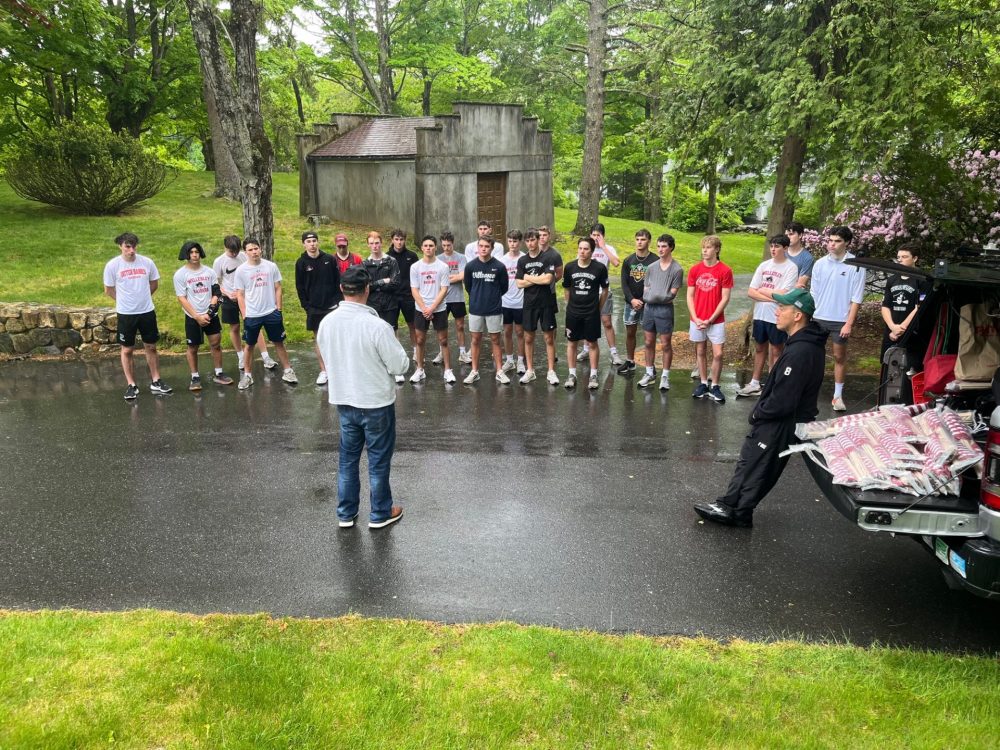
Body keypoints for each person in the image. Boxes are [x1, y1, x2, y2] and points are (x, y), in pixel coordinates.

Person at [694, 289, 828, 527]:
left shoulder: (801, 351)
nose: (777, 312)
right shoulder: (800, 343)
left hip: (781, 421)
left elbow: (785, 398)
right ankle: (732, 505)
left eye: (783, 309)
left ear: (797, 316)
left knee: (758, 463)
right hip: (779, 419)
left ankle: (736, 510)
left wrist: (758, 413)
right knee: (753, 460)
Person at [316, 265, 408, 530]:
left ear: (342, 289)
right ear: (367, 289)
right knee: (378, 460)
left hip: (344, 399)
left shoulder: (327, 323)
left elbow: (324, 354)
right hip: (375, 402)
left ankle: (346, 512)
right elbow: (399, 365)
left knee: (348, 459)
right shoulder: (376, 326)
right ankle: (379, 513)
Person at [103, 232, 172, 399]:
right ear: (120, 246)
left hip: (147, 311)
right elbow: (108, 290)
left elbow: (154, 284)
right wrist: (124, 301)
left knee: (151, 346)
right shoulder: (112, 266)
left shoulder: (147, 262)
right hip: (126, 314)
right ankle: (131, 385)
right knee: (127, 349)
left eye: (134, 246)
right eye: (127, 246)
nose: (131, 250)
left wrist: (143, 298)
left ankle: (156, 381)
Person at [736, 234, 799, 399]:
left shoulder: (790, 268)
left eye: (777, 246)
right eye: (772, 246)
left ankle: (773, 385)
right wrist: (770, 295)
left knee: (777, 349)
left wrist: (762, 290)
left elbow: (784, 294)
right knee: (759, 348)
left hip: (777, 316)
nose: (773, 249)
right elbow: (751, 291)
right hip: (760, 315)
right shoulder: (764, 265)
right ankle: (755, 383)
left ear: (785, 248)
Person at [811, 225, 866, 411]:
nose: (832, 245)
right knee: (813, 357)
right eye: (830, 241)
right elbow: (814, 293)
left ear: (847, 243)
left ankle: (837, 396)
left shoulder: (856, 265)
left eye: (837, 241)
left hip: (840, 321)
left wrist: (848, 323)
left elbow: (856, 298)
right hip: (818, 318)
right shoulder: (819, 264)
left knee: (839, 356)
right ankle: (809, 393)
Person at [233, 237, 297, 390]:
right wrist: (245, 314)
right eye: (250, 249)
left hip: (271, 312)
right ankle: (247, 376)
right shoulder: (241, 271)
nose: (254, 252)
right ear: (245, 252)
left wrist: (278, 308)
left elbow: (278, 287)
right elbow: (240, 294)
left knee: (279, 342)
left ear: (260, 248)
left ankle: (288, 371)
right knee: (249, 345)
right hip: (252, 315)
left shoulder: (270, 266)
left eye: (256, 248)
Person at [213, 235, 277, 373]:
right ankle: (241, 356)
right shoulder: (219, 261)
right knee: (235, 327)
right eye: (232, 251)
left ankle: (266, 357)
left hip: (246, 296)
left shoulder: (243, 256)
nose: (235, 254)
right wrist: (228, 293)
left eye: (236, 251)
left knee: (255, 325)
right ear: (225, 248)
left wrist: (243, 293)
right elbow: (216, 283)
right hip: (228, 297)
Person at [173, 241, 232, 390]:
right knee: (193, 347)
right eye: (191, 252)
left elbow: (216, 293)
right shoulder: (180, 275)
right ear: (186, 254)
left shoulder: (209, 272)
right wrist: (197, 316)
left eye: (197, 252)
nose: (194, 255)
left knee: (216, 344)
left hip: (210, 315)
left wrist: (209, 312)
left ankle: (219, 374)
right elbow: (182, 298)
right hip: (193, 317)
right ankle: (195, 377)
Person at [686, 235, 733, 403]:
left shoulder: (725, 270)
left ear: (717, 249)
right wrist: (696, 317)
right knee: (700, 351)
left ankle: (715, 385)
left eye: (709, 247)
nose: (705, 250)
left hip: (716, 320)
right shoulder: (694, 270)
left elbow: (725, 298)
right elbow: (690, 295)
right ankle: (704, 383)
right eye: (703, 247)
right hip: (697, 319)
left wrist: (711, 319)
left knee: (718, 354)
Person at [562, 236, 609, 390]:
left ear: (592, 251)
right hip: (573, 312)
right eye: (580, 248)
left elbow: (605, 290)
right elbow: (567, 288)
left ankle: (593, 375)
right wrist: (569, 306)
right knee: (572, 342)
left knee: (592, 343)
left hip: (591, 313)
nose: (582, 252)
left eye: (586, 249)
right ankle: (571, 374)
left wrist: (598, 308)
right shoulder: (569, 267)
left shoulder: (599, 268)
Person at [515, 228, 561, 385]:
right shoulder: (522, 261)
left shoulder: (547, 258)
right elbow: (519, 284)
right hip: (529, 304)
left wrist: (528, 277)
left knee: (549, 337)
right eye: (527, 241)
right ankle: (530, 370)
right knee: (528, 337)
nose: (530, 243)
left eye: (533, 240)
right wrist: (536, 278)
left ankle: (551, 371)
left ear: (538, 239)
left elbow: (548, 280)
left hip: (546, 303)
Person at [294, 230, 341, 385]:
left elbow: (337, 282)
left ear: (318, 242)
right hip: (314, 308)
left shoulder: (329, 259)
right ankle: (324, 371)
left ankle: (337, 370)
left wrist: (338, 302)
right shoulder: (301, 263)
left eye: (314, 240)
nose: (312, 244)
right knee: (319, 339)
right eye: (308, 242)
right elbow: (300, 287)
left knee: (334, 339)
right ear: (304, 244)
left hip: (332, 306)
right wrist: (307, 306)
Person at [638, 234, 683, 391]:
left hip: (664, 311)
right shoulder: (651, 267)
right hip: (649, 309)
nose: (660, 249)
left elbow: (671, 294)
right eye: (658, 246)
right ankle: (649, 373)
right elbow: (646, 291)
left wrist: (656, 296)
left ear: (671, 247)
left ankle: (665, 376)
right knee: (648, 342)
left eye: (664, 246)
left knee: (665, 344)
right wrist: (657, 296)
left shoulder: (677, 269)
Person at [463, 235, 509, 384]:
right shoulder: (470, 266)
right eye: (481, 246)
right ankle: (474, 371)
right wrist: (477, 297)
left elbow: (504, 288)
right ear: (477, 247)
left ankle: (500, 371)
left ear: (492, 248)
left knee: (496, 340)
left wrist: (492, 298)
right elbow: (469, 287)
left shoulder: (500, 267)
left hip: (494, 309)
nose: (483, 249)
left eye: (486, 246)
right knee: (475, 340)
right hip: (476, 309)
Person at [409, 235, 454, 384]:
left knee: (444, 340)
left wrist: (433, 308)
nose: (428, 248)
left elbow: (444, 289)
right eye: (426, 245)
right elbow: (414, 289)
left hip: (439, 308)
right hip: (421, 308)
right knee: (420, 340)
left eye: (431, 245)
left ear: (436, 247)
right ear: (422, 248)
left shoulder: (443, 267)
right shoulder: (415, 267)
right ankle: (420, 369)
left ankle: (448, 370)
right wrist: (424, 308)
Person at [578, 223, 623, 367]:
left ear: (603, 236)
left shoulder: (608, 248)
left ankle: (614, 352)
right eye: (593, 235)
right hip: (587, 292)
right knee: (587, 322)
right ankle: (586, 349)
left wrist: (603, 247)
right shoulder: (586, 248)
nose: (596, 238)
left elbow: (616, 263)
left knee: (607, 322)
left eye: (599, 235)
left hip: (603, 291)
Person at [619, 228, 657, 374]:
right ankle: (630, 361)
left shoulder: (655, 261)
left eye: (643, 239)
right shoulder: (628, 260)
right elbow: (624, 283)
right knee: (630, 332)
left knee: (649, 337)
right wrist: (631, 300)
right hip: (631, 304)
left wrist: (642, 300)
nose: (640, 242)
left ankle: (650, 366)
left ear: (649, 241)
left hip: (648, 305)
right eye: (637, 239)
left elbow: (654, 284)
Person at [880, 244, 927, 361]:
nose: (900, 260)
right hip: (891, 330)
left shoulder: (922, 280)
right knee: (888, 362)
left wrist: (901, 329)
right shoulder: (892, 280)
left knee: (909, 365)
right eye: (898, 257)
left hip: (911, 331)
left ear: (915, 258)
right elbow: (885, 305)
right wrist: (892, 327)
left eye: (904, 256)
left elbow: (919, 307)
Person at [436, 231, 471, 365]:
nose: (446, 248)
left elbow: (462, 276)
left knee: (460, 326)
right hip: (442, 298)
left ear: (453, 243)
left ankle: (462, 352)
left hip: (457, 297)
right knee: (441, 327)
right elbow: (437, 279)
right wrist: (453, 277)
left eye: (448, 245)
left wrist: (446, 278)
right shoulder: (438, 258)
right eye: (444, 245)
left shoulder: (461, 258)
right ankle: (441, 352)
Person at [388, 228, 419, 365]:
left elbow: (418, 276)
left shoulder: (412, 256)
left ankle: (416, 351)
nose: (399, 242)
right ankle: (397, 354)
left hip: (408, 296)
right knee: (393, 327)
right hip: (393, 296)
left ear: (404, 240)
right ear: (392, 240)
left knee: (412, 324)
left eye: (401, 239)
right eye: (396, 239)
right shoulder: (387, 256)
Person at [500, 229, 527, 376]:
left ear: (520, 242)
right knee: (507, 331)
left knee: (520, 332)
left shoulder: (524, 259)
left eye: (515, 241)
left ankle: (521, 361)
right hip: (506, 302)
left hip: (521, 302)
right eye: (510, 241)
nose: (512, 244)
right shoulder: (502, 260)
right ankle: (509, 360)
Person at [785, 221, 814, 289]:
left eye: (791, 234)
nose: (788, 237)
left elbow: (800, 285)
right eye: (786, 235)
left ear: (800, 235)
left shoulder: (807, 258)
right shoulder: (780, 252)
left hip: (792, 297)